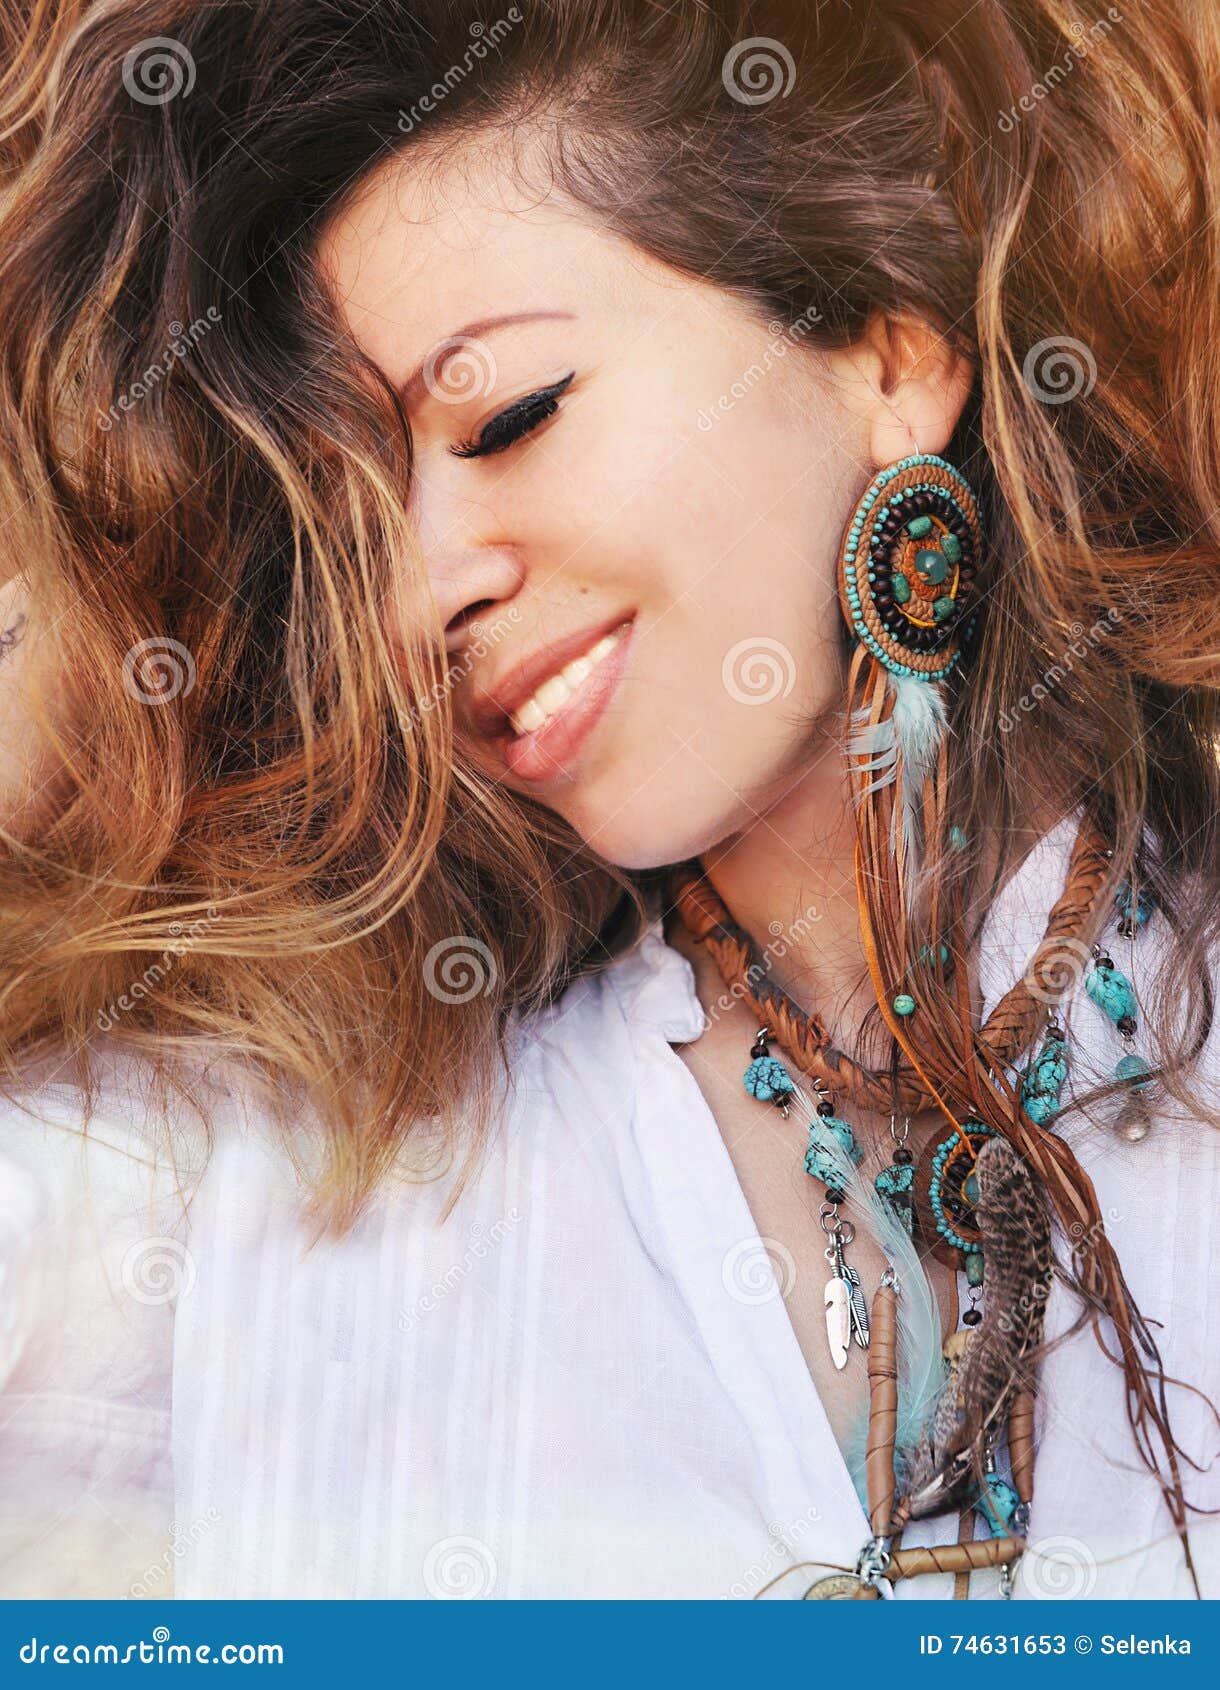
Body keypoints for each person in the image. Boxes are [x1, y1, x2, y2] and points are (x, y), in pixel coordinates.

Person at [1, 0, 1218, 1600]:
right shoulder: (260, 1194)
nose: (419, 592)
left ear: (885, 344)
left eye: (508, 416)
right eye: (364, 525)